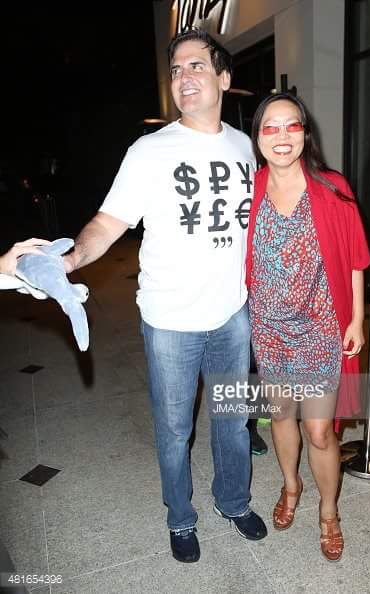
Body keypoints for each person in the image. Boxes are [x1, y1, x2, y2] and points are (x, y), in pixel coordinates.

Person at [1, 30, 268, 564]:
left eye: (196, 66)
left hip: (233, 314)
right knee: (174, 429)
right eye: (175, 70)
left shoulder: (244, 145)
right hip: (170, 319)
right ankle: (180, 517)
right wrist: (70, 260)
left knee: (233, 419)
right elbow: (108, 221)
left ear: (224, 78)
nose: (183, 77)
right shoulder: (149, 151)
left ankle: (233, 501)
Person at [246, 92, 370, 561]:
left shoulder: (332, 187)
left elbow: (356, 258)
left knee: (319, 430)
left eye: (291, 126)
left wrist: (356, 317)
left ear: (305, 133)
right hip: (270, 329)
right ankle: (291, 486)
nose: (281, 136)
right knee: (280, 416)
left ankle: (330, 513)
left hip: (320, 326)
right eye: (270, 127)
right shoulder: (253, 186)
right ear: (258, 137)